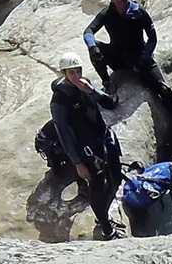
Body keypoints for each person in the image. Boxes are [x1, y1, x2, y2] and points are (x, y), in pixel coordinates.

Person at [83, 0, 172, 144]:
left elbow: (152, 37)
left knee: (165, 90)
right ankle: (107, 81)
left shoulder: (138, 11)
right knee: (96, 50)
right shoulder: (107, 14)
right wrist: (92, 46)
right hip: (118, 57)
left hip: (140, 57)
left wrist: (145, 57)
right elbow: (89, 31)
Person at [50, 51, 127, 240]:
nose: (76, 76)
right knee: (97, 186)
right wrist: (77, 163)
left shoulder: (86, 86)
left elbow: (110, 104)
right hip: (87, 149)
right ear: (63, 73)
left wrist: (91, 91)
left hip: (103, 138)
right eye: (71, 73)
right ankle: (107, 230)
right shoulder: (59, 101)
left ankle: (103, 218)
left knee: (116, 178)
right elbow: (64, 134)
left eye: (78, 71)